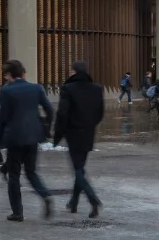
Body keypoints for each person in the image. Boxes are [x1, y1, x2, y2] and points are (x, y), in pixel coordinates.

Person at [0, 59, 55, 222]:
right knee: (31, 172)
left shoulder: (6, 91)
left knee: (14, 175)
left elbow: (3, 116)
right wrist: (46, 127)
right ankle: (45, 196)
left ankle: (17, 212)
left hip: (15, 137)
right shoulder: (36, 88)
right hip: (33, 136)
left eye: (6, 75)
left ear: (9, 75)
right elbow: (50, 109)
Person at [53, 60, 105, 217]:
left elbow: (62, 113)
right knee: (80, 167)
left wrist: (58, 134)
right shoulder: (97, 89)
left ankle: (93, 199)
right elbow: (100, 112)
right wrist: (90, 125)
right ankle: (73, 202)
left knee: (78, 169)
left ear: (74, 72)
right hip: (88, 133)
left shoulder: (68, 89)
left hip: (73, 133)